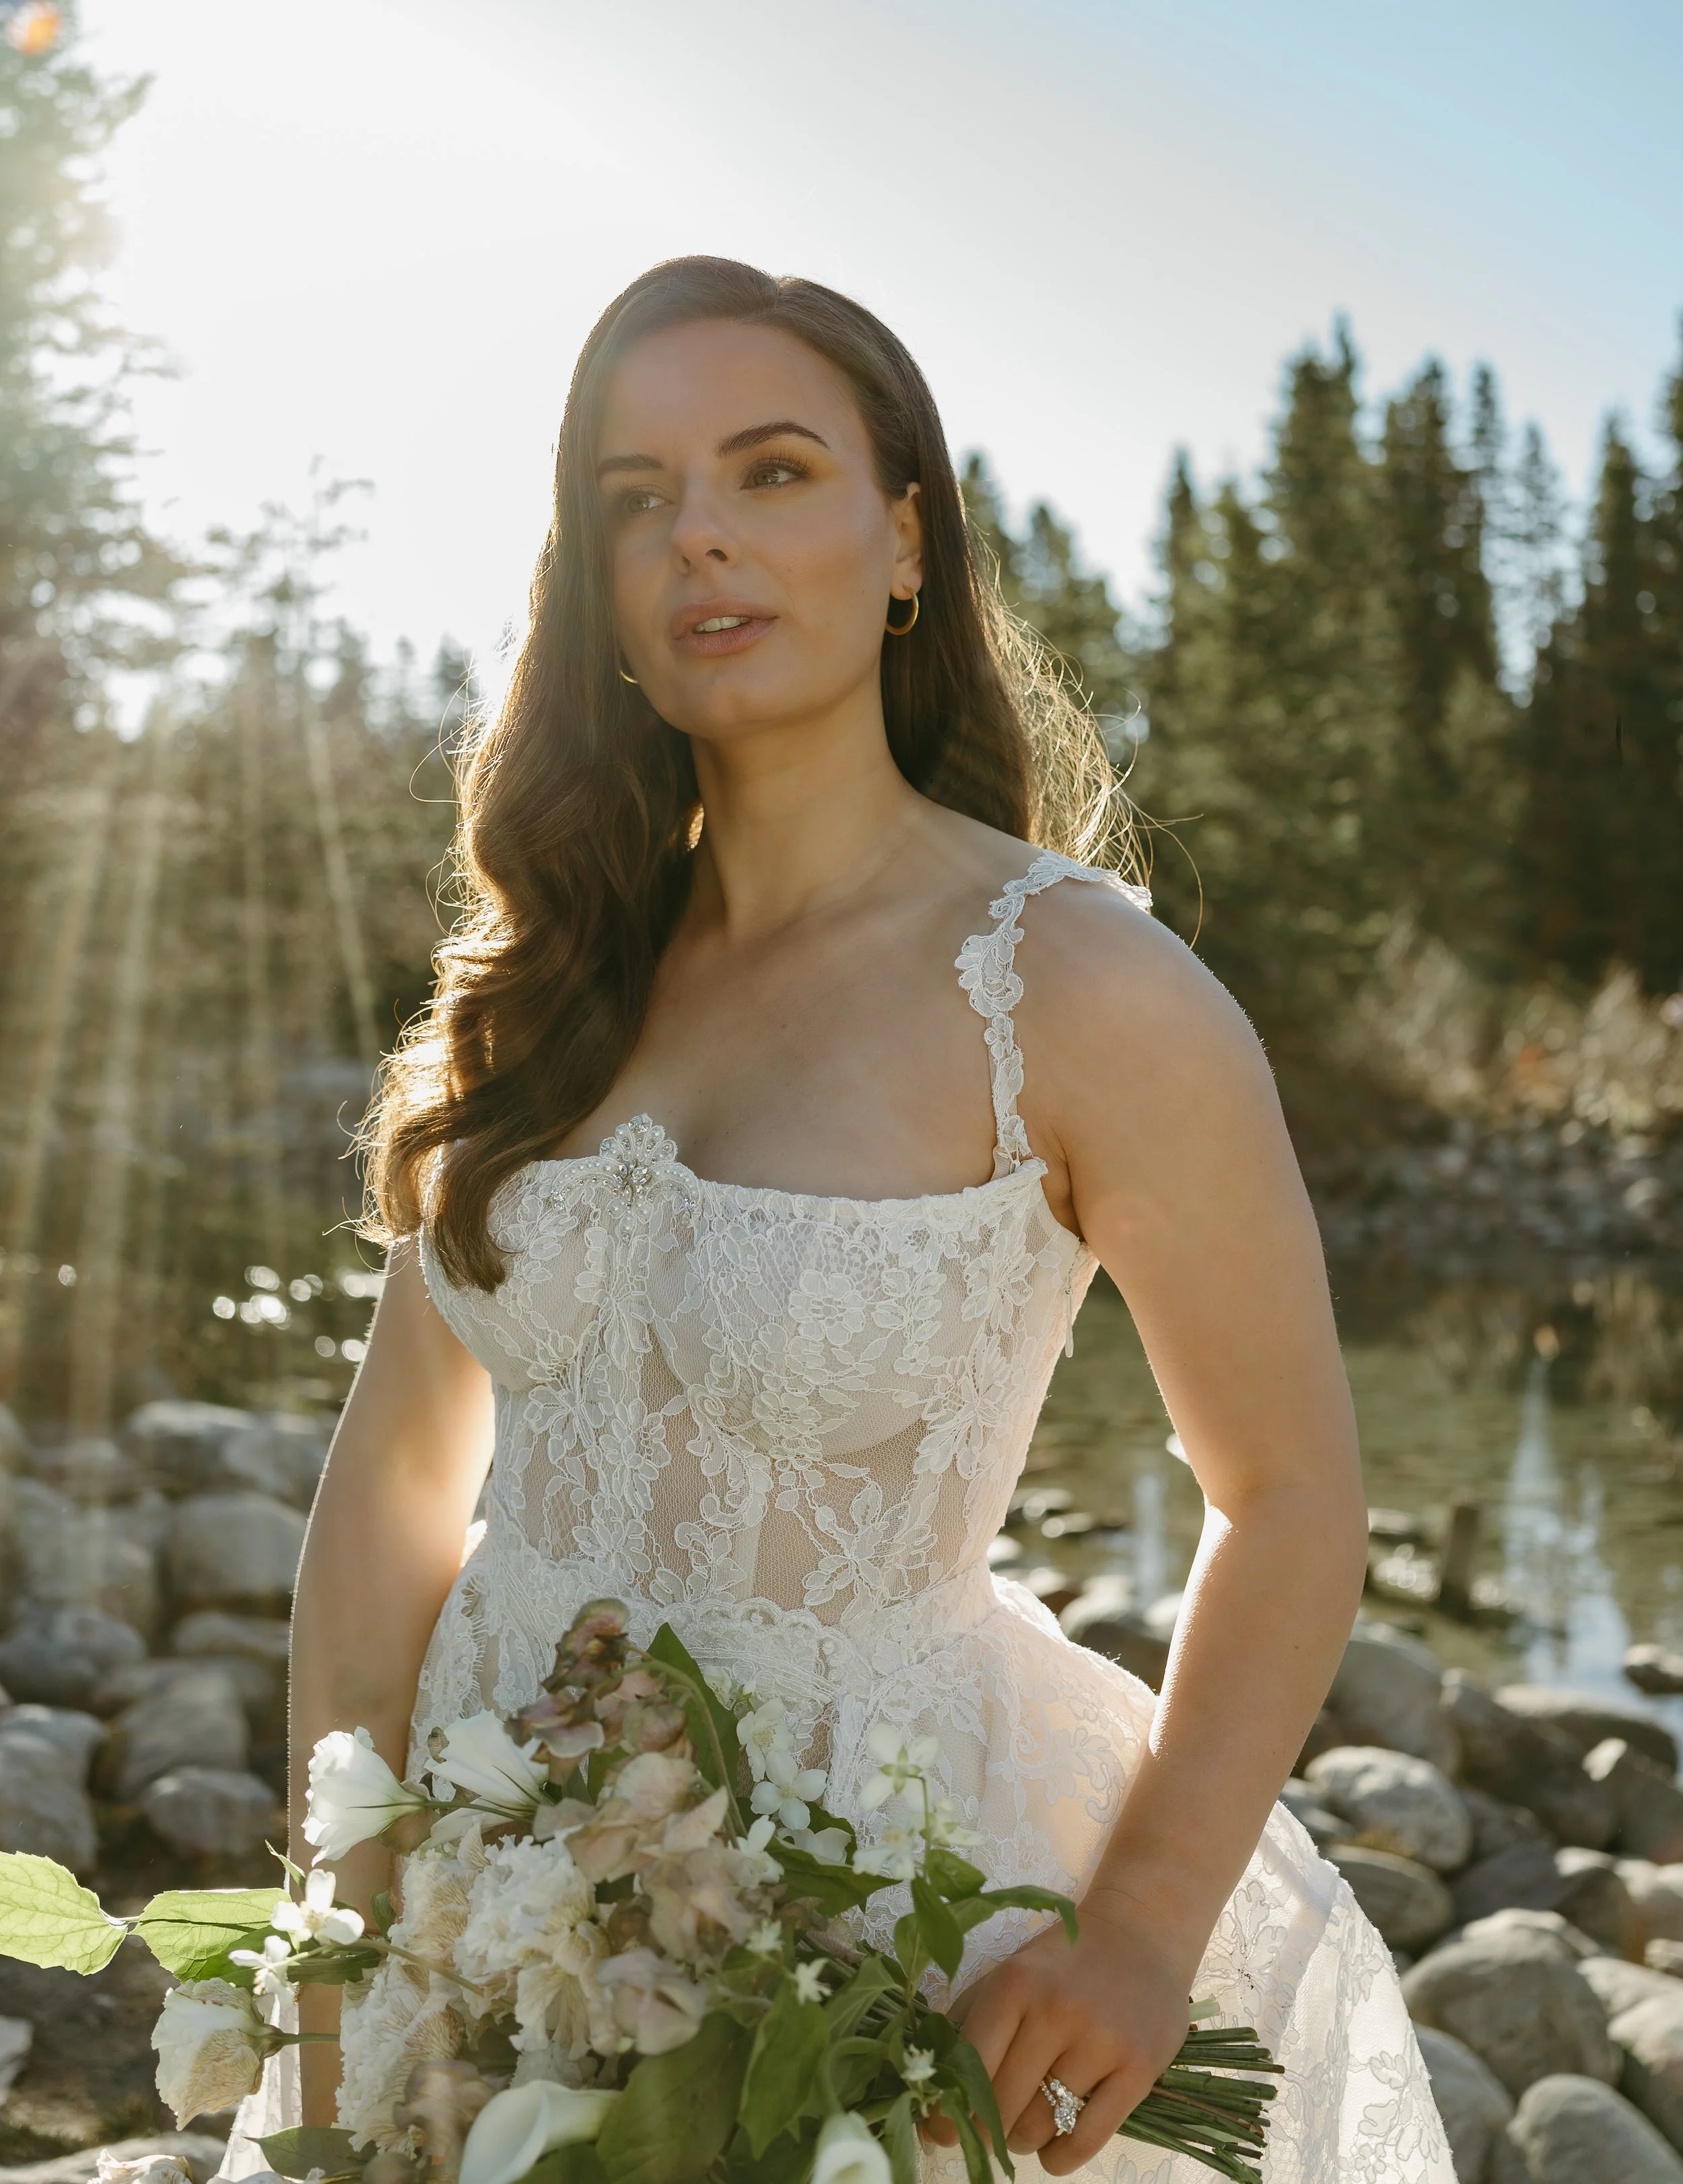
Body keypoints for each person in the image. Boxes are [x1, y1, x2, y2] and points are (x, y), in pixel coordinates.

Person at [236, 256, 1451, 2179]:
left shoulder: (1073, 988)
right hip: (485, 1909)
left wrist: (1141, 1930)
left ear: (905, 542)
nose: (698, 534)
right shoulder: (547, 989)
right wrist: (335, 1955)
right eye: (634, 496)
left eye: (772, 469)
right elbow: (390, 1506)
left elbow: (1291, 1494)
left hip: (873, 1944)